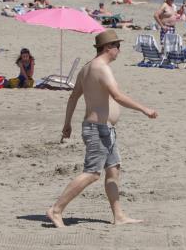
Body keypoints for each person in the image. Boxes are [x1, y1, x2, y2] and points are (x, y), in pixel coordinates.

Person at [47, 30, 157, 228]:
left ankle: (119, 216)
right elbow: (118, 96)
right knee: (92, 173)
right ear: (108, 48)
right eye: (117, 47)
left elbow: (73, 97)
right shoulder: (101, 68)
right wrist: (144, 109)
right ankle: (56, 209)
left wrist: (67, 124)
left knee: (113, 171)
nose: (119, 51)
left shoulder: (86, 68)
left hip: (104, 129)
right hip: (97, 129)